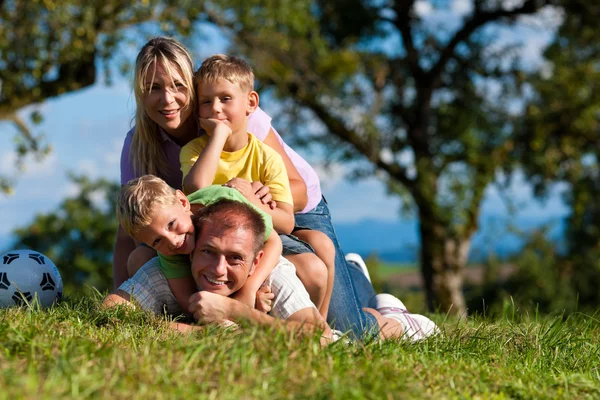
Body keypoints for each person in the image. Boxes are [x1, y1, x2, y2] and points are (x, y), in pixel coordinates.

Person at [115, 36, 433, 340]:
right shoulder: (140, 145)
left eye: (178, 86)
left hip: (290, 208)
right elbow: (130, 229)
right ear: (140, 94)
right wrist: (122, 290)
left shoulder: (233, 115)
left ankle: (381, 306)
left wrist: (255, 198)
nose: (167, 99)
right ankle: (219, 325)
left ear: (193, 87)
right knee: (143, 255)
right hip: (212, 230)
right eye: (153, 88)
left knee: (348, 329)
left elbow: (297, 192)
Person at [178, 54, 334, 318]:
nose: (215, 108)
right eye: (206, 102)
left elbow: (285, 222)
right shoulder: (194, 152)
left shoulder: (266, 157)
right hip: (220, 246)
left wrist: (250, 198)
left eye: (225, 99)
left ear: (251, 103)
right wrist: (219, 135)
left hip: (263, 240)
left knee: (319, 258)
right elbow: (196, 189)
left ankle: (319, 322)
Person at [104, 199, 345, 346]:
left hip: (342, 336)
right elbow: (110, 315)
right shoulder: (167, 269)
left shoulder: (275, 275)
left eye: (235, 258)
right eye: (208, 251)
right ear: (191, 249)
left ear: (256, 262)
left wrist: (234, 311)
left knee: (368, 328)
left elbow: (319, 339)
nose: (219, 269)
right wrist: (206, 334)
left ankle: (382, 312)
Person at [116, 175, 283, 313]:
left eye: (171, 224)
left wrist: (248, 292)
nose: (173, 241)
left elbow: (274, 241)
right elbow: (189, 304)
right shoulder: (169, 254)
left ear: (183, 202)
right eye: (157, 241)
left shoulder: (225, 201)